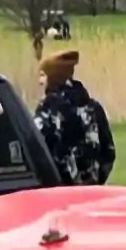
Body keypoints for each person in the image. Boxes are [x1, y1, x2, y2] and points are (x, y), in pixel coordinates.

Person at [33, 48, 115, 185]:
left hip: (60, 194)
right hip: (92, 192)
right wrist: (95, 181)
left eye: (43, 76)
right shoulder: (93, 108)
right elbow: (109, 153)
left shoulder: (48, 109)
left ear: (53, 77)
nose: (41, 82)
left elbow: (37, 153)